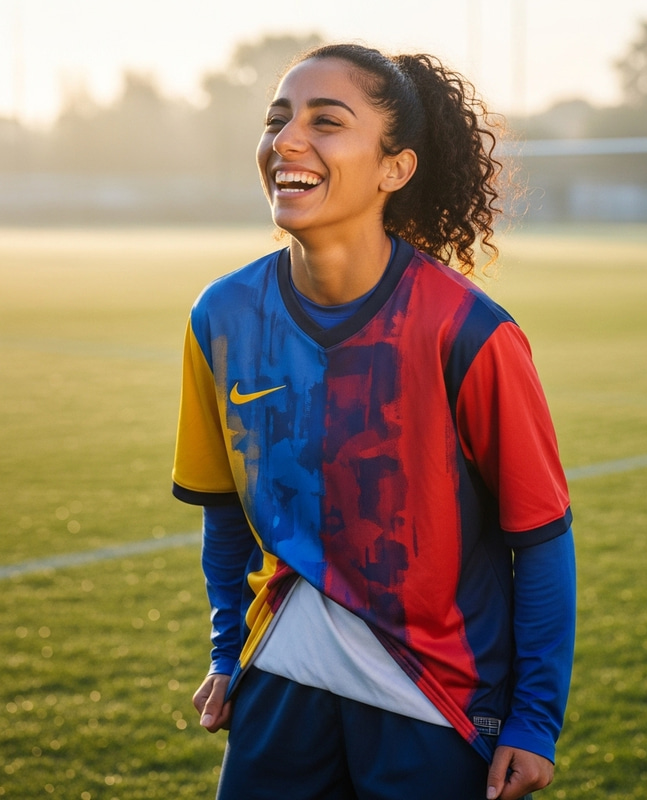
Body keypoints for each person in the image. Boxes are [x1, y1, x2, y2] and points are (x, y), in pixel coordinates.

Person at [172, 42, 576, 800]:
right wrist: (230, 652)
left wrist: (533, 720)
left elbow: (542, 537)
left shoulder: (471, 332)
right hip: (281, 680)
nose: (288, 141)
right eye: (277, 119)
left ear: (395, 168)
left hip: (434, 700)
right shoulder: (220, 318)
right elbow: (223, 509)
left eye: (327, 122)